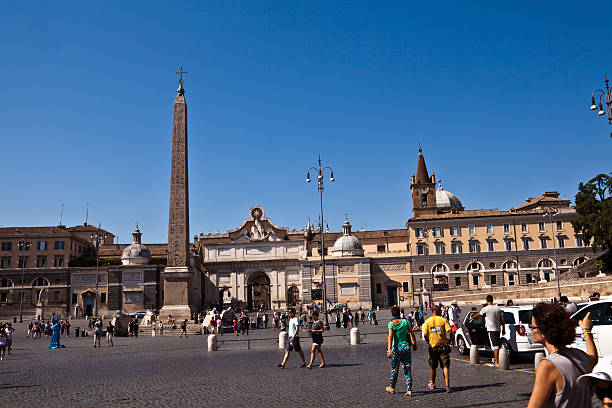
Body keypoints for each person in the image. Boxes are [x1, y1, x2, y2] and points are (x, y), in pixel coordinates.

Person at [527, 303, 597, 408]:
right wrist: (587, 331)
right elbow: (593, 358)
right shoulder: (579, 355)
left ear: (544, 331)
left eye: (532, 326)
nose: (531, 330)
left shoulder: (548, 366)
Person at [386, 306, 417, 396]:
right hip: (406, 347)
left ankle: (392, 388)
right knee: (407, 368)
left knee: (394, 369)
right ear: (399, 313)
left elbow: (390, 337)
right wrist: (414, 344)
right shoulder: (406, 321)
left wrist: (389, 350)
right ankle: (409, 389)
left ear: (392, 314)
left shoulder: (391, 323)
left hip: (396, 348)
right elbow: (411, 333)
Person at [469, 295, 505, 367]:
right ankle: (496, 359)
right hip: (498, 328)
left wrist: (471, 318)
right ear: (492, 300)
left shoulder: (486, 309)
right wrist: (504, 329)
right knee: (496, 344)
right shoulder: (498, 308)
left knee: (495, 346)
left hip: (491, 329)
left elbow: (478, 315)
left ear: (487, 301)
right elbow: (502, 319)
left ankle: (497, 362)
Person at [422, 305, 452, 393]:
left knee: (433, 366)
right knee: (445, 366)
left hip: (433, 347)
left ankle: (433, 383)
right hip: (443, 346)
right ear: (437, 310)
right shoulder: (443, 320)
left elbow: (424, 335)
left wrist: (429, 342)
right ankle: (447, 385)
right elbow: (450, 332)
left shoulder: (427, 321)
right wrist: (449, 340)